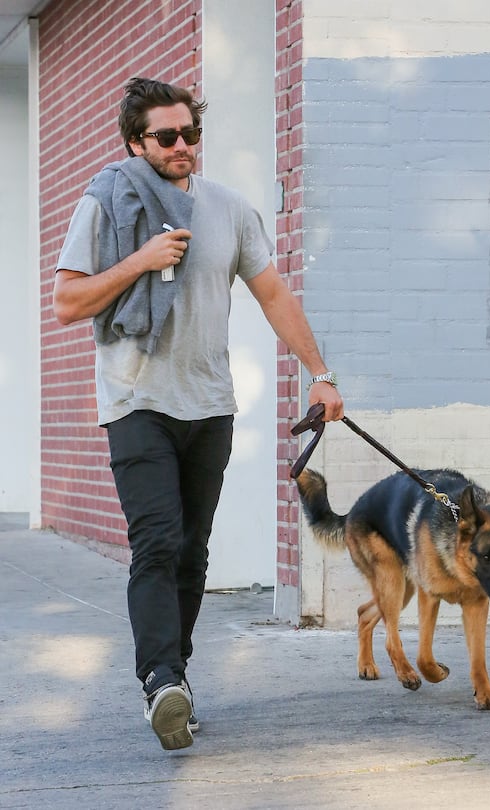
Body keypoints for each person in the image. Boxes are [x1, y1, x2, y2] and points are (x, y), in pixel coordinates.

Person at [53, 77, 344, 751]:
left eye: (191, 133)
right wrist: (141, 261)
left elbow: (273, 294)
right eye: (166, 137)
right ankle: (160, 681)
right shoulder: (105, 203)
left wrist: (321, 375)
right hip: (136, 401)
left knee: (191, 554)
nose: (183, 146)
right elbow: (68, 303)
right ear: (136, 142)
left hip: (209, 405)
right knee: (156, 542)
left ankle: (174, 682)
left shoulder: (229, 210)